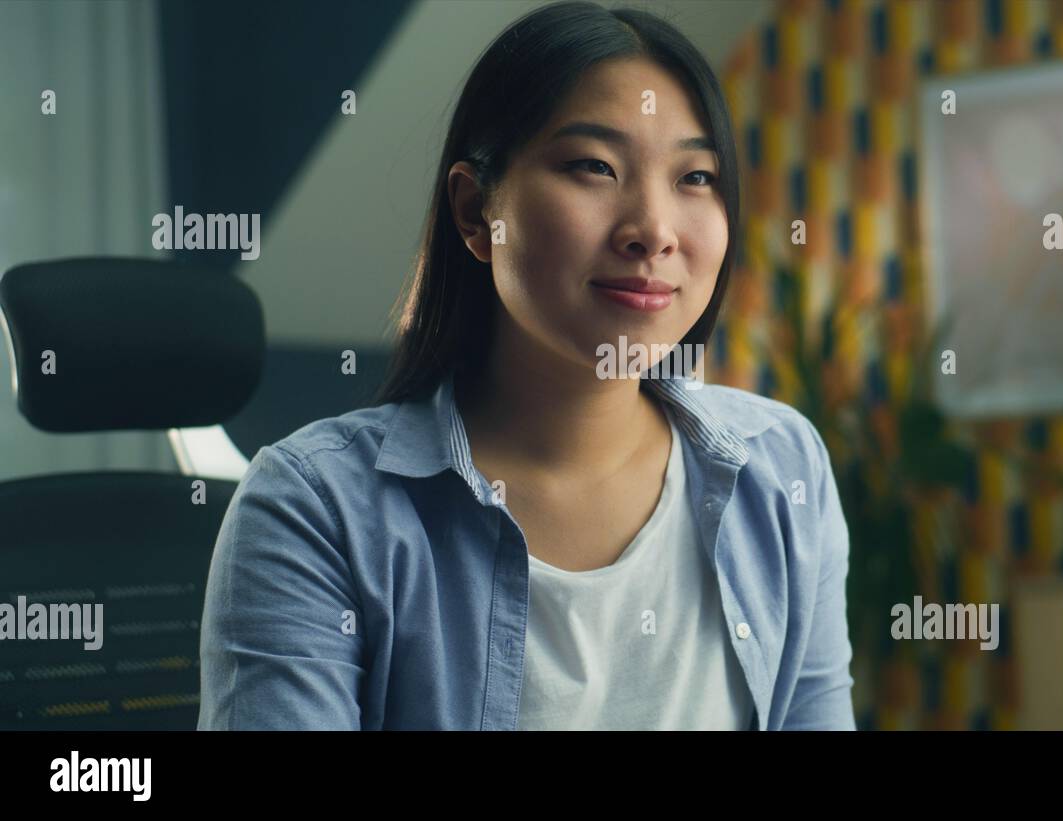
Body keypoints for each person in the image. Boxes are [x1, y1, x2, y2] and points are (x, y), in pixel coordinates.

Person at [198, 0, 855, 731]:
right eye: (593, 166)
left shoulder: (780, 468)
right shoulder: (317, 510)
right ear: (477, 213)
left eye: (695, 177)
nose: (654, 231)